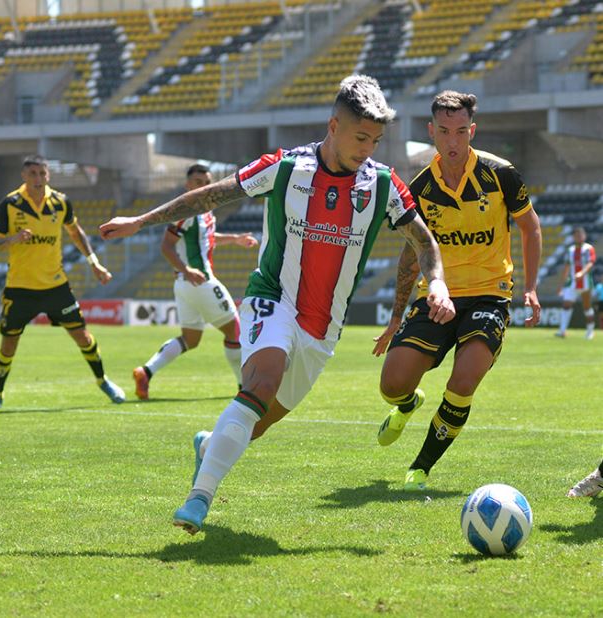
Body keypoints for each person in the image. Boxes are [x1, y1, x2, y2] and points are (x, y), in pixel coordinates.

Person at [100, 75, 456, 534]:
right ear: (333, 125)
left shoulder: (383, 185)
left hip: (324, 327)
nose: (368, 147)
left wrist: (439, 285)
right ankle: (198, 499)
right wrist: (142, 221)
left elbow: (423, 243)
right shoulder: (286, 168)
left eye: (376, 139)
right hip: (273, 298)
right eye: (360, 136)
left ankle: (209, 446)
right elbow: (211, 195)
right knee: (261, 381)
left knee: (259, 424)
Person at [372, 90, 542, 491]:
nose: (453, 141)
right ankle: (408, 404)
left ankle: (421, 467)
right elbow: (412, 254)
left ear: (472, 130)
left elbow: (530, 227)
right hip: (436, 296)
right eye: (445, 131)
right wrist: (396, 316)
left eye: (461, 131)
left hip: (490, 294)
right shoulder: (420, 187)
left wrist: (531, 288)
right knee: (391, 384)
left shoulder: (500, 173)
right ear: (431, 131)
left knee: (464, 380)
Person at [0, 155, 125, 411]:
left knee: (83, 336)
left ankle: (103, 380)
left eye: (42, 174)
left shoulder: (60, 202)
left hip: (55, 286)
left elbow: (76, 232)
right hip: (20, 288)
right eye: (33, 174)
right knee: (8, 344)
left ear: (48, 175)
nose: (38, 179)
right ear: (24, 177)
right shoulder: (10, 204)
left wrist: (94, 262)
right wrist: (12, 239)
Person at [132, 163, 258, 399]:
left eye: (207, 183)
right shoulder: (187, 210)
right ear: (188, 185)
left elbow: (207, 239)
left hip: (184, 285)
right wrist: (188, 270)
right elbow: (166, 246)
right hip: (200, 281)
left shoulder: (205, 211)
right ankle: (244, 387)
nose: (204, 187)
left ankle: (146, 372)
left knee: (190, 339)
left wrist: (235, 239)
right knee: (235, 331)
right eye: (198, 183)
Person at [555, 227, 596, 339]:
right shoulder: (571, 250)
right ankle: (562, 331)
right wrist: (560, 285)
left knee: (587, 307)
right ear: (573, 237)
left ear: (584, 236)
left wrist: (581, 273)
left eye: (581, 235)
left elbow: (590, 263)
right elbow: (566, 268)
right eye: (576, 235)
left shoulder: (589, 248)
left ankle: (590, 331)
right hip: (572, 283)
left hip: (586, 283)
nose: (579, 237)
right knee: (566, 304)